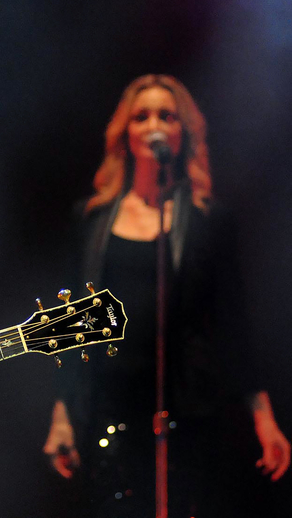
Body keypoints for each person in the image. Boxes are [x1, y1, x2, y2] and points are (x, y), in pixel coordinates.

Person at [42, 74, 290, 516]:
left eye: (166, 116)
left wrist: (263, 417)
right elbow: (70, 328)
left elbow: (233, 323)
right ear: (125, 133)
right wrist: (62, 415)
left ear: (183, 133)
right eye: (142, 116)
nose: (153, 125)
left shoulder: (209, 221)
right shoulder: (92, 220)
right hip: (109, 407)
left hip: (187, 411)